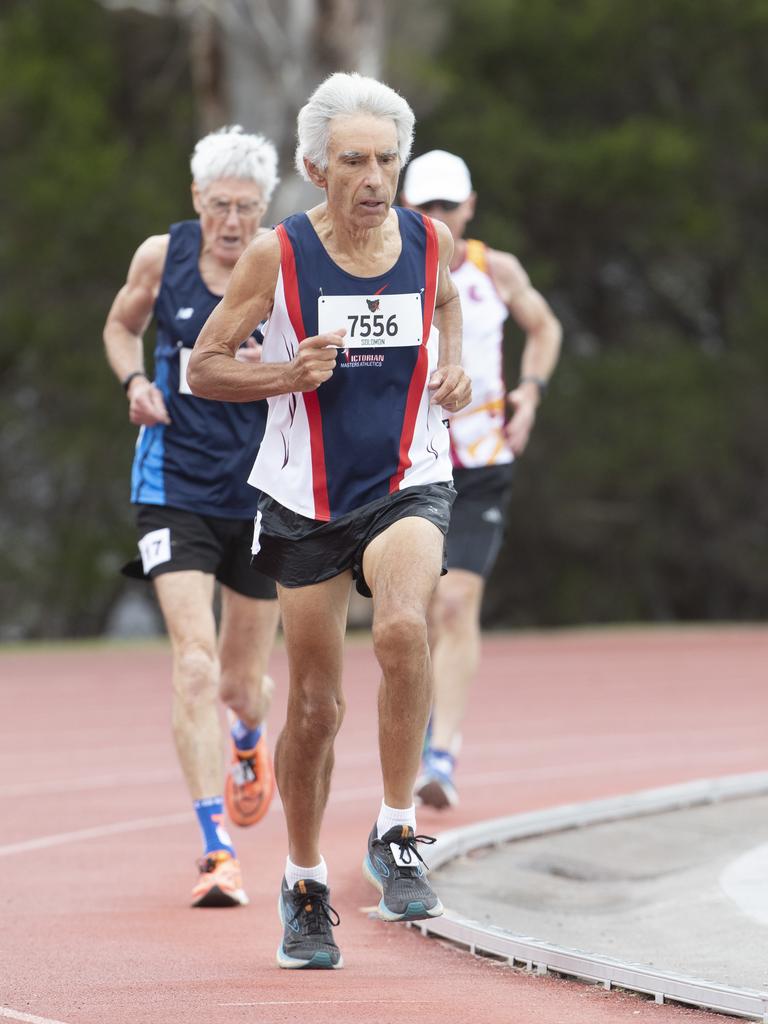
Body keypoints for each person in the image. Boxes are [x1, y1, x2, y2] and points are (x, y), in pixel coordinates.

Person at [188, 73, 471, 969]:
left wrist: (453, 370)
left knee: (402, 627)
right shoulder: (277, 256)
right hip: (304, 500)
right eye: (354, 160)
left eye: (388, 159)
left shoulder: (432, 243)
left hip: (407, 480)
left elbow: (450, 302)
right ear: (317, 167)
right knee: (314, 708)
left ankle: (394, 831)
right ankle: (304, 885)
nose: (374, 177)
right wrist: (285, 377)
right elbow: (204, 366)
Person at [103, 126, 282, 909]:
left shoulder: (285, 264)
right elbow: (120, 326)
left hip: (261, 493)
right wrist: (135, 381)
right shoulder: (161, 256)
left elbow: (322, 363)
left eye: (246, 207)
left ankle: (247, 739)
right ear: (195, 202)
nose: (232, 223)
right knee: (195, 665)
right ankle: (216, 849)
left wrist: (269, 368)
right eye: (219, 207)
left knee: (243, 686)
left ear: (265, 208)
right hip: (172, 486)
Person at [401, 150, 562, 809]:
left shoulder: (496, 269)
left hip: (482, 462)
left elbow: (545, 325)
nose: (438, 218)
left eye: (448, 206)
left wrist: (530, 391)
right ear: (410, 211)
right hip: (411, 465)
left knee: (456, 603)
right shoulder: (391, 269)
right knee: (415, 614)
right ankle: (415, 730)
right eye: (426, 207)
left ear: (469, 207)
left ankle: (442, 751)